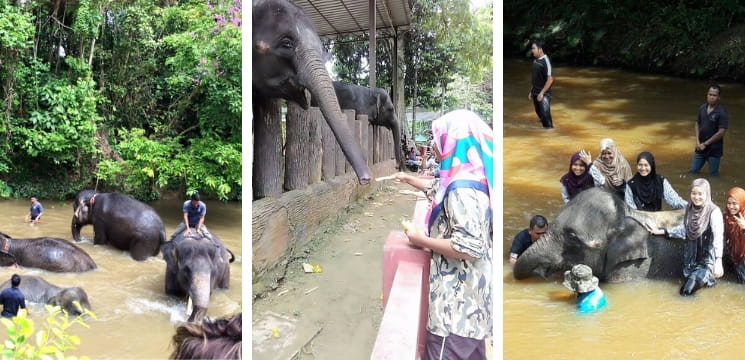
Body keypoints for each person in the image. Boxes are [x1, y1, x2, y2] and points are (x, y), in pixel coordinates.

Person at [394, 109, 493, 360]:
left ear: (452, 141)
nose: (434, 145)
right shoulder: (472, 176)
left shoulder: (463, 189)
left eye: (437, 138)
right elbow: (437, 188)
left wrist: (420, 240)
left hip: (456, 308)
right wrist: (407, 178)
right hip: (473, 305)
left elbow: (470, 247)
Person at [651, 179, 723, 296]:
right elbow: (685, 230)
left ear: (707, 194)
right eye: (693, 193)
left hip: (706, 264)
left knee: (685, 292)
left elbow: (718, 236)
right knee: (689, 289)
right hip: (690, 262)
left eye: (700, 194)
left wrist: (718, 261)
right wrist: (663, 232)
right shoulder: (690, 208)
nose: (696, 197)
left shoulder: (714, 212)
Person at [689, 84, 728, 176]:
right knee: (693, 172)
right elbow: (697, 123)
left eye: (714, 95)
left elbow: (721, 132)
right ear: (707, 95)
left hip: (714, 150)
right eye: (710, 94)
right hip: (700, 147)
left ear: (718, 97)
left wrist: (705, 144)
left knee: (713, 175)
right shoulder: (702, 108)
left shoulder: (722, 112)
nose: (711, 97)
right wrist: (698, 142)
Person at [528, 40, 554, 129]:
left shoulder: (546, 61)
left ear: (540, 49)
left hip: (544, 94)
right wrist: (531, 91)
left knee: (547, 121)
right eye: (532, 48)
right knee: (540, 115)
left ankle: (551, 136)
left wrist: (542, 93)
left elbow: (550, 80)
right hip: (535, 93)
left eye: (534, 48)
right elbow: (535, 78)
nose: (532, 50)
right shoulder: (535, 61)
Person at [724, 187, 745, 284]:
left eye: (735, 203)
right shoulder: (726, 217)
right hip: (734, 258)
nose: (731, 207)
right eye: (729, 203)